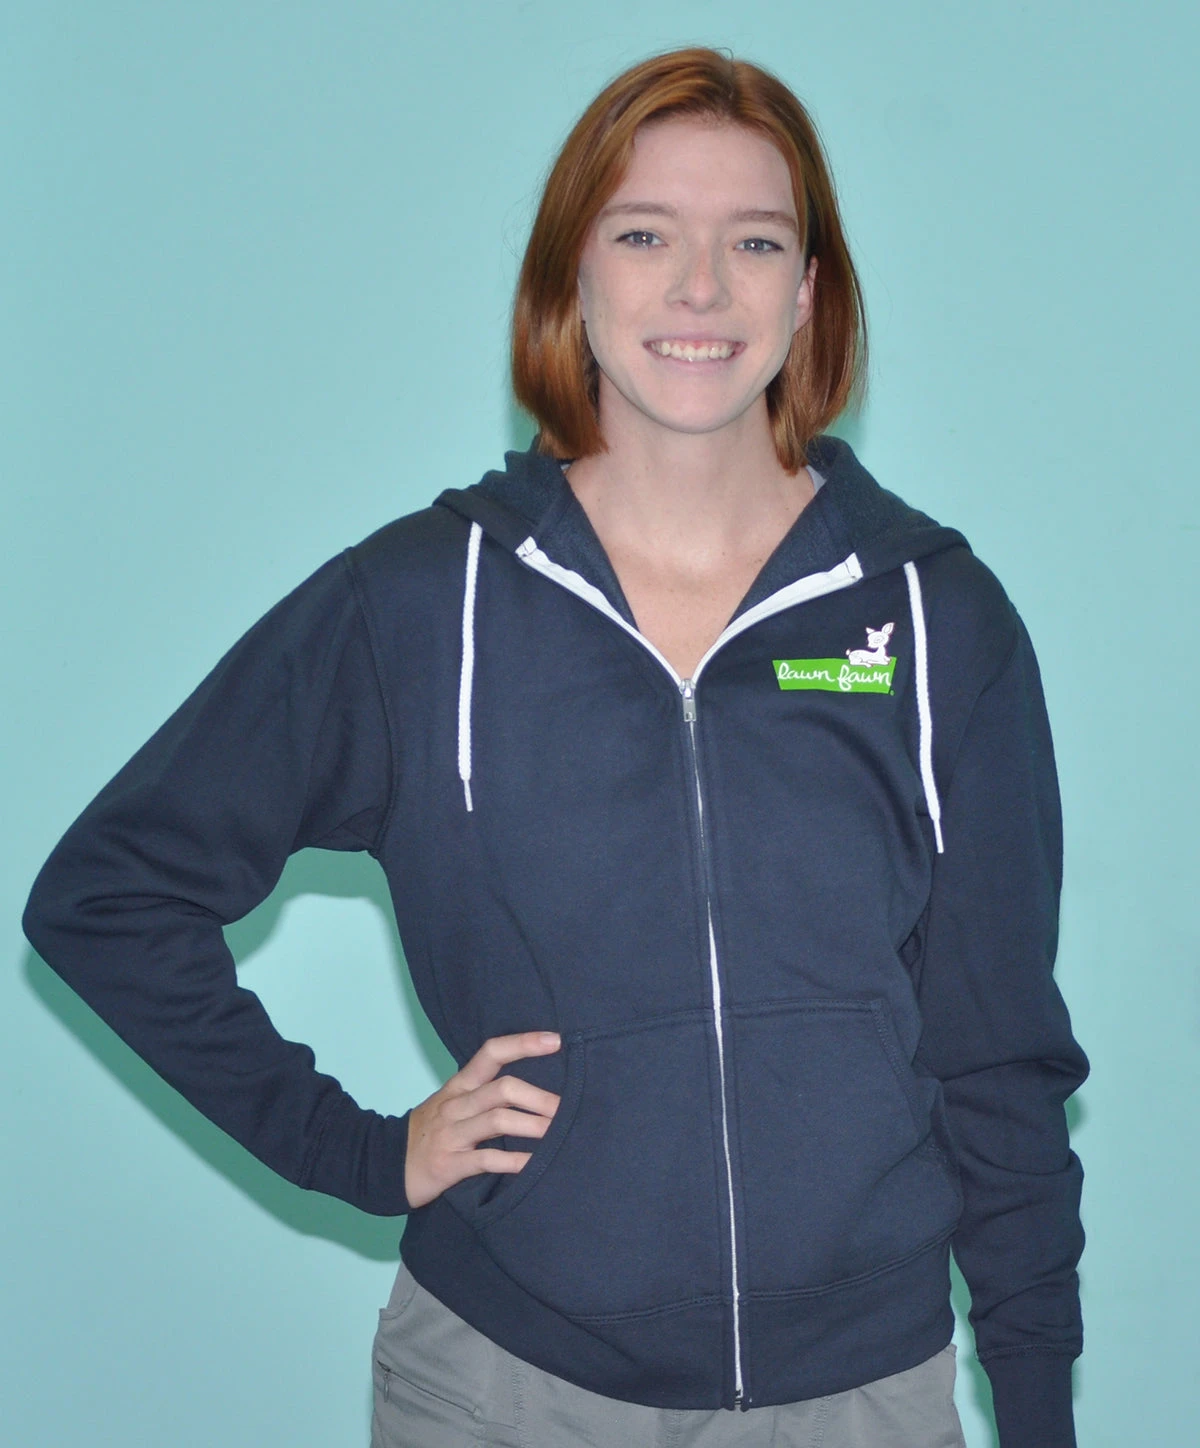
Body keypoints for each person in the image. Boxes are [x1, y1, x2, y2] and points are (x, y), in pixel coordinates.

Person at [23, 46, 1088, 1448]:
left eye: (753, 241)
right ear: (570, 280)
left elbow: (1000, 1056)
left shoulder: (935, 617)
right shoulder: (424, 605)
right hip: (506, 1386)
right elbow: (106, 897)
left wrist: (1040, 1405)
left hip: (856, 1398)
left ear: (807, 292)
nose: (700, 288)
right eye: (645, 236)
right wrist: (356, 1150)